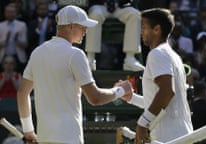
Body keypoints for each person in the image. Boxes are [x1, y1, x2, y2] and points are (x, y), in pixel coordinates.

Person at [17, 5, 132, 144]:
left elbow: (22, 93)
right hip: (69, 138)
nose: (85, 31)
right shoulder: (75, 55)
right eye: (82, 26)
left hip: (44, 138)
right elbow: (95, 98)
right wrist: (121, 90)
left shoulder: (37, 53)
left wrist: (28, 130)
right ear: (70, 26)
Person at [121, 8, 193, 143]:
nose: (141, 31)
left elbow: (166, 92)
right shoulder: (173, 56)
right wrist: (132, 98)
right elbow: (161, 101)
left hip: (169, 138)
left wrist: (143, 122)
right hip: (180, 135)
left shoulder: (157, 54)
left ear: (157, 29)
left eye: (144, 27)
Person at [85, 0, 145, 71]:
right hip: (100, 6)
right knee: (94, 14)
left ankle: (130, 59)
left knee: (135, 14)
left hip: (121, 6)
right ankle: (90, 60)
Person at [0, 3, 28, 72]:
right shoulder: (0, 25)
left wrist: (16, 40)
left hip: (18, 57)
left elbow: (26, 45)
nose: (10, 14)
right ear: (4, 13)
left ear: (16, 13)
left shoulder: (22, 25)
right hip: (3, 56)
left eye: (12, 12)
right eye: (8, 12)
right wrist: (6, 39)